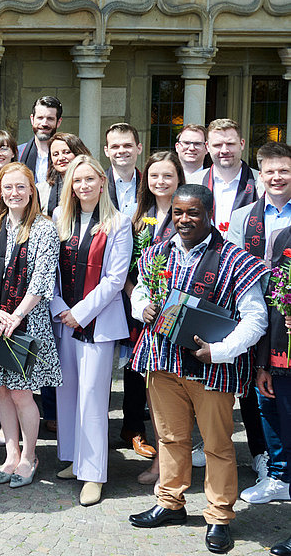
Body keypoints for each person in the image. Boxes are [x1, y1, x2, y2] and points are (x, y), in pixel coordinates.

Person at [127, 185, 266, 555]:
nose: (184, 220)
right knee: (170, 438)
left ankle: (219, 516)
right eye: (177, 213)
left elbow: (256, 319)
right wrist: (142, 309)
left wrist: (219, 351)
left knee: (219, 445)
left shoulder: (236, 259)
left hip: (212, 369)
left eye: (193, 213)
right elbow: (139, 291)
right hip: (162, 361)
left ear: (209, 213)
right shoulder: (156, 253)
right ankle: (170, 503)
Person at [0, 162, 61, 488]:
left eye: (21, 187)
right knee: (2, 390)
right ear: (0, 192)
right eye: (8, 187)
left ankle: (30, 456)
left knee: (21, 393)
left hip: (28, 321)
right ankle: (11, 454)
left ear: (31, 190)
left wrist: (16, 315)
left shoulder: (44, 229)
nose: (14, 193)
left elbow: (42, 278)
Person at [50, 156, 131, 506]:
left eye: (89, 179)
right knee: (66, 393)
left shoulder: (119, 222)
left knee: (93, 399)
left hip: (97, 323)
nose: (83, 186)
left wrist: (80, 313)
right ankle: (74, 459)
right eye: (76, 180)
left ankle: (94, 474)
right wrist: (58, 308)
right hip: (63, 319)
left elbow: (115, 279)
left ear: (102, 181)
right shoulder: (59, 219)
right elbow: (47, 268)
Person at [227, 142, 291, 507]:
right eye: (270, 171)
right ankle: (276, 472)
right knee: (261, 395)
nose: (277, 177)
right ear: (260, 174)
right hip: (256, 316)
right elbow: (234, 268)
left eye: (284, 170)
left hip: (290, 318)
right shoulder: (243, 217)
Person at [124, 151, 183, 481]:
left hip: (178, 318)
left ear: (179, 180)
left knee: (179, 396)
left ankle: (176, 464)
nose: (161, 182)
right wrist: (140, 301)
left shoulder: (188, 214)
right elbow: (124, 272)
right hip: (145, 318)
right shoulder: (137, 218)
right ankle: (161, 464)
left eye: (168, 177)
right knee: (153, 395)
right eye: (154, 176)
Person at [17, 96, 63, 186]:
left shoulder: (67, 155)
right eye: (40, 118)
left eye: (50, 119)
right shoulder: (18, 153)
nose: (44, 123)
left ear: (58, 122)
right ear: (32, 119)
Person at [41, 132, 89, 216]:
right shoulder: (42, 190)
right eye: (55, 154)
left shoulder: (90, 185)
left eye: (66, 152)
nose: (61, 158)